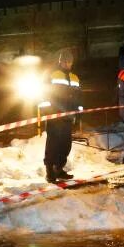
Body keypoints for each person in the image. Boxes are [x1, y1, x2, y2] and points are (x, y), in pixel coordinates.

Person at [43, 47, 82, 182]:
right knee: (53, 144)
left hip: (68, 118)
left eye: (70, 62)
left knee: (66, 145)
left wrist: (79, 115)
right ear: (60, 62)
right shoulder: (52, 75)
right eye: (65, 62)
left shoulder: (75, 78)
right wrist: (50, 112)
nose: (68, 64)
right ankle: (50, 171)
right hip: (55, 117)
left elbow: (78, 99)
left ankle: (58, 169)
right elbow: (45, 96)